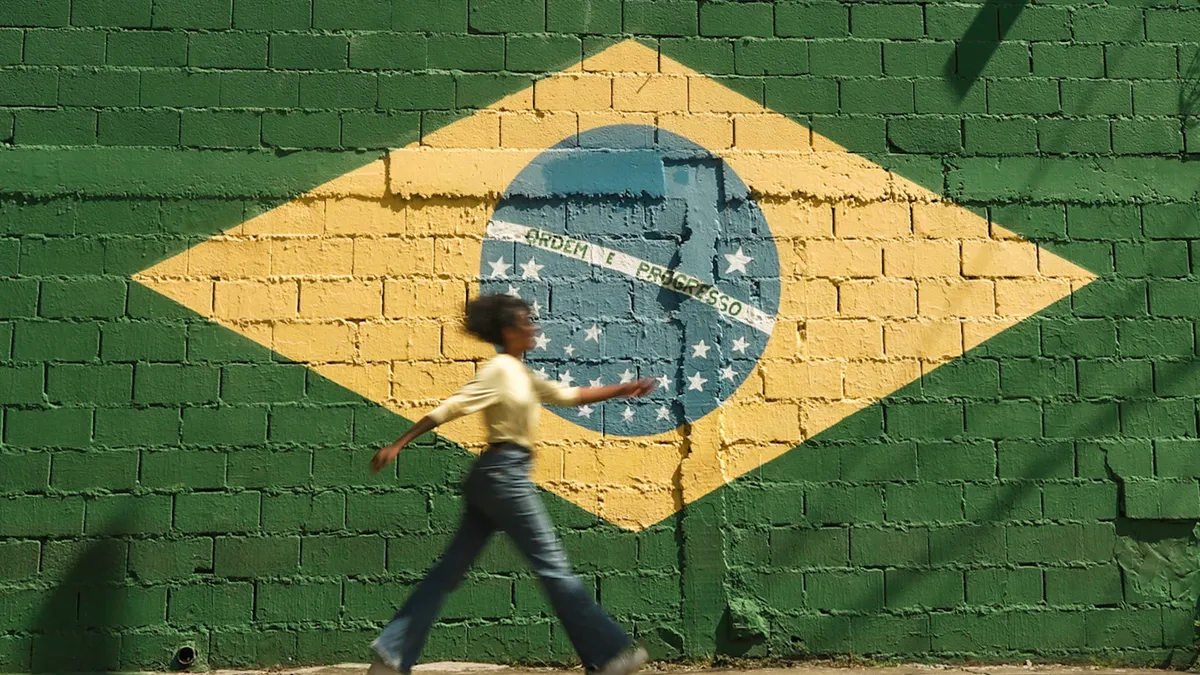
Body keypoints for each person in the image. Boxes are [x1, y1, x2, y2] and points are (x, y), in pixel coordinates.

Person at [368, 293, 657, 675]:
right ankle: (607, 656)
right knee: (554, 567)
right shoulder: (500, 369)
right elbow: (450, 408)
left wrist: (621, 389)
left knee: (447, 573)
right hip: (504, 476)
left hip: (495, 478)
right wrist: (399, 443)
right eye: (526, 321)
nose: (533, 326)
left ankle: (391, 658)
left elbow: (567, 396)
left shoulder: (520, 373)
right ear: (508, 330)